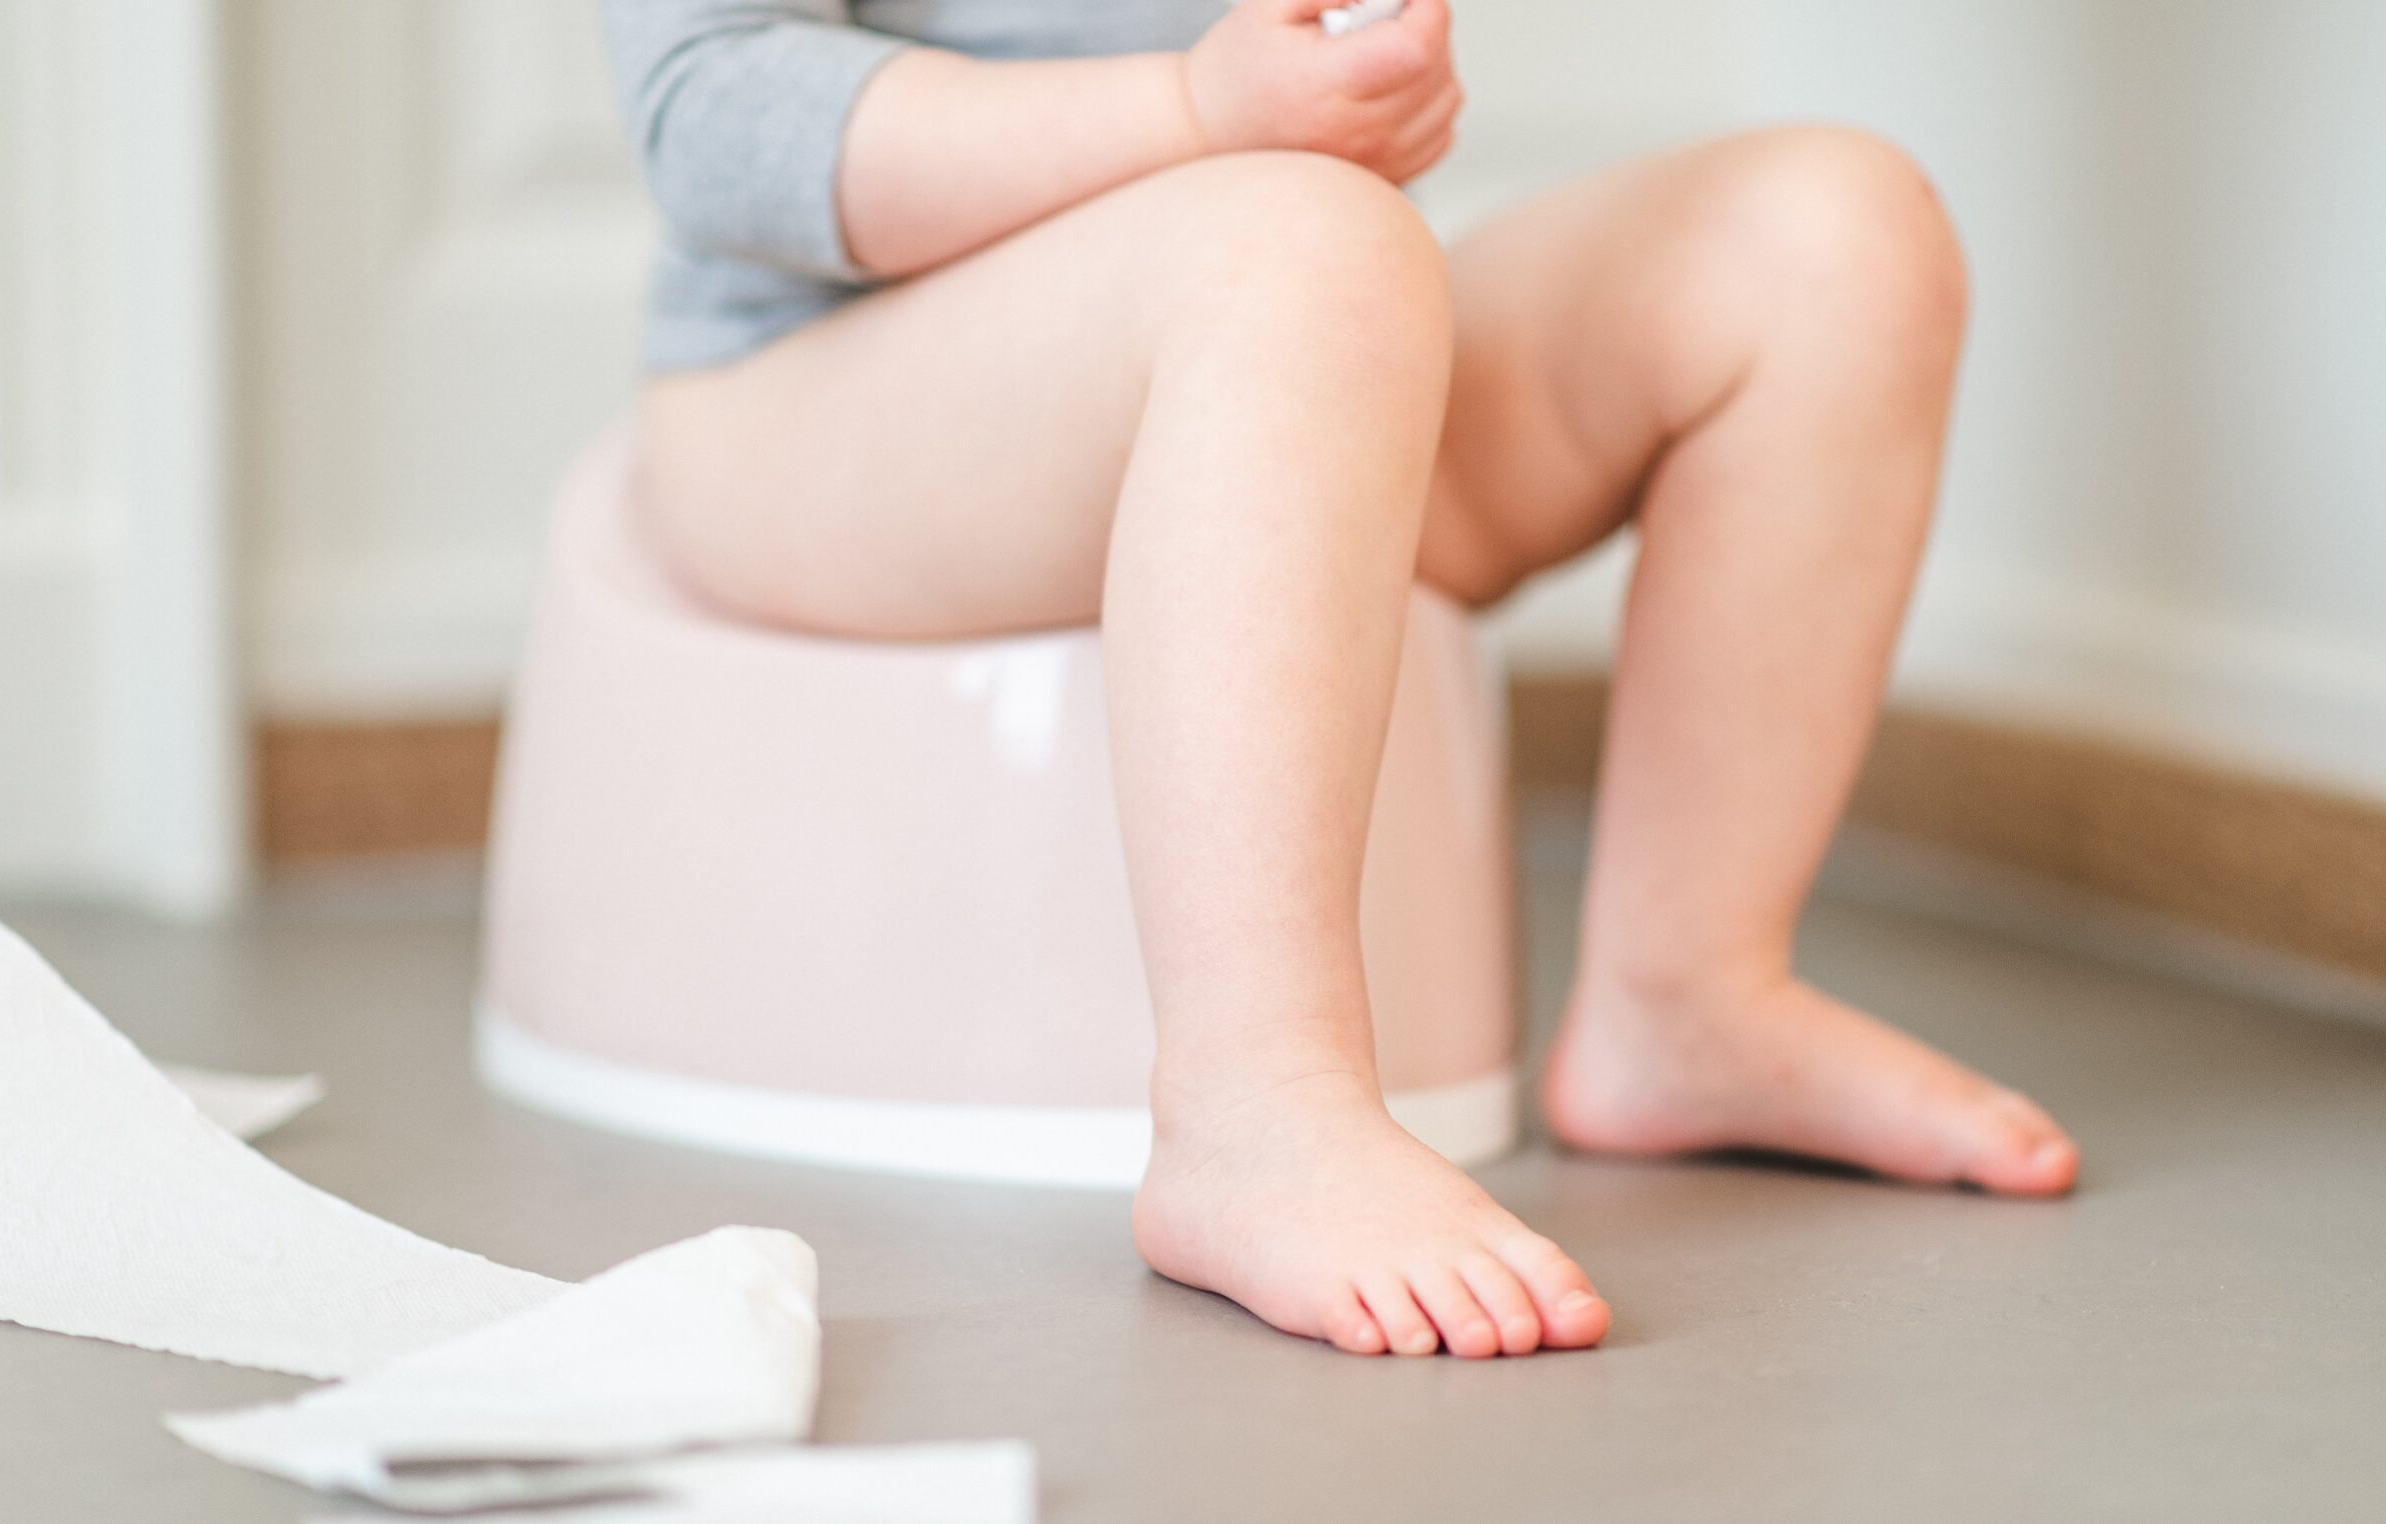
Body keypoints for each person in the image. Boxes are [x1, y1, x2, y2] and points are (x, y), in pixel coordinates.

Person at [601, 0, 2080, 1361]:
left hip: (1289, 349)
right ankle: (1254, 1103)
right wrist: (1192, 106)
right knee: (1305, 249)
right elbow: (712, 117)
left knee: (1836, 235)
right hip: (828, 403)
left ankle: (1691, 997)